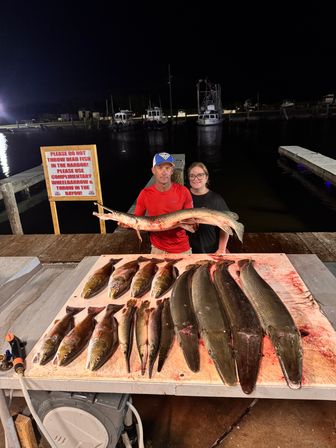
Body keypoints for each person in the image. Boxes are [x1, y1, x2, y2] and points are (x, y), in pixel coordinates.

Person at [134, 152, 193, 254]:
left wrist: (192, 222)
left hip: (181, 248)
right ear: (153, 170)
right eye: (160, 168)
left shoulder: (184, 191)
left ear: (172, 171)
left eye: (167, 168)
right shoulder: (145, 194)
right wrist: (128, 225)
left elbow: (192, 224)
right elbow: (138, 223)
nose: (164, 172)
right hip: (157, 248)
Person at [187, 161, 230, 254]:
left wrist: (222, 249)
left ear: (206, 177)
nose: (196, 178)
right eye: (192, 175)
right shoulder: (183, 195)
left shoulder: (216, 199)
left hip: (211, 249)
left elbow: (225, 226)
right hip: (187, 249)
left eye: (200, 175)